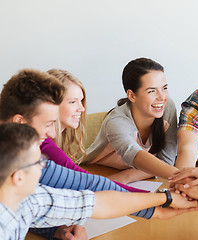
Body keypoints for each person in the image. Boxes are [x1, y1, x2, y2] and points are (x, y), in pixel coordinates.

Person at [0, 69, 184, 240]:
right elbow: (91, 186)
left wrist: (55, 230)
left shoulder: (29, 189)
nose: (52, 133)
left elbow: (77, 203)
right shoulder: (33, 159)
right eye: (48, 124)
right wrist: (164, 200)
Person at [0, 123, 198, 240]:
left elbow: (99, 202)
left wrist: (163, 201)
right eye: (39, 162)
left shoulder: (31, 199)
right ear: (18, 177)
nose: (45, 166)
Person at [83, 58, 178, 183]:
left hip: (137, 175)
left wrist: (126, 177)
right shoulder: (116, 121)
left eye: (164, 88)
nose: (162, 97)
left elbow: (166, 161)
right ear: (132, 96)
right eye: (152, 91)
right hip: (97, 173)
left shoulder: (167, 107)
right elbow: (133, 154)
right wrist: (185, 176)